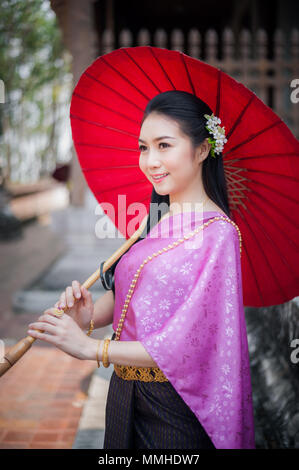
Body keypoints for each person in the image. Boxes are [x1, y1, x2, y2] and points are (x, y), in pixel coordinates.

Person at [27, 90, 255, 449]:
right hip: (124, 390)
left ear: (201, 150)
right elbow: (127, 296)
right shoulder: (155, 222)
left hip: (173, 403)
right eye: (143, 147)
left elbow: (184, 346)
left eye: (164, 145)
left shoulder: (218, 234)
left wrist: (92, 349)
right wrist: (87, 315)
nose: (150, 161)